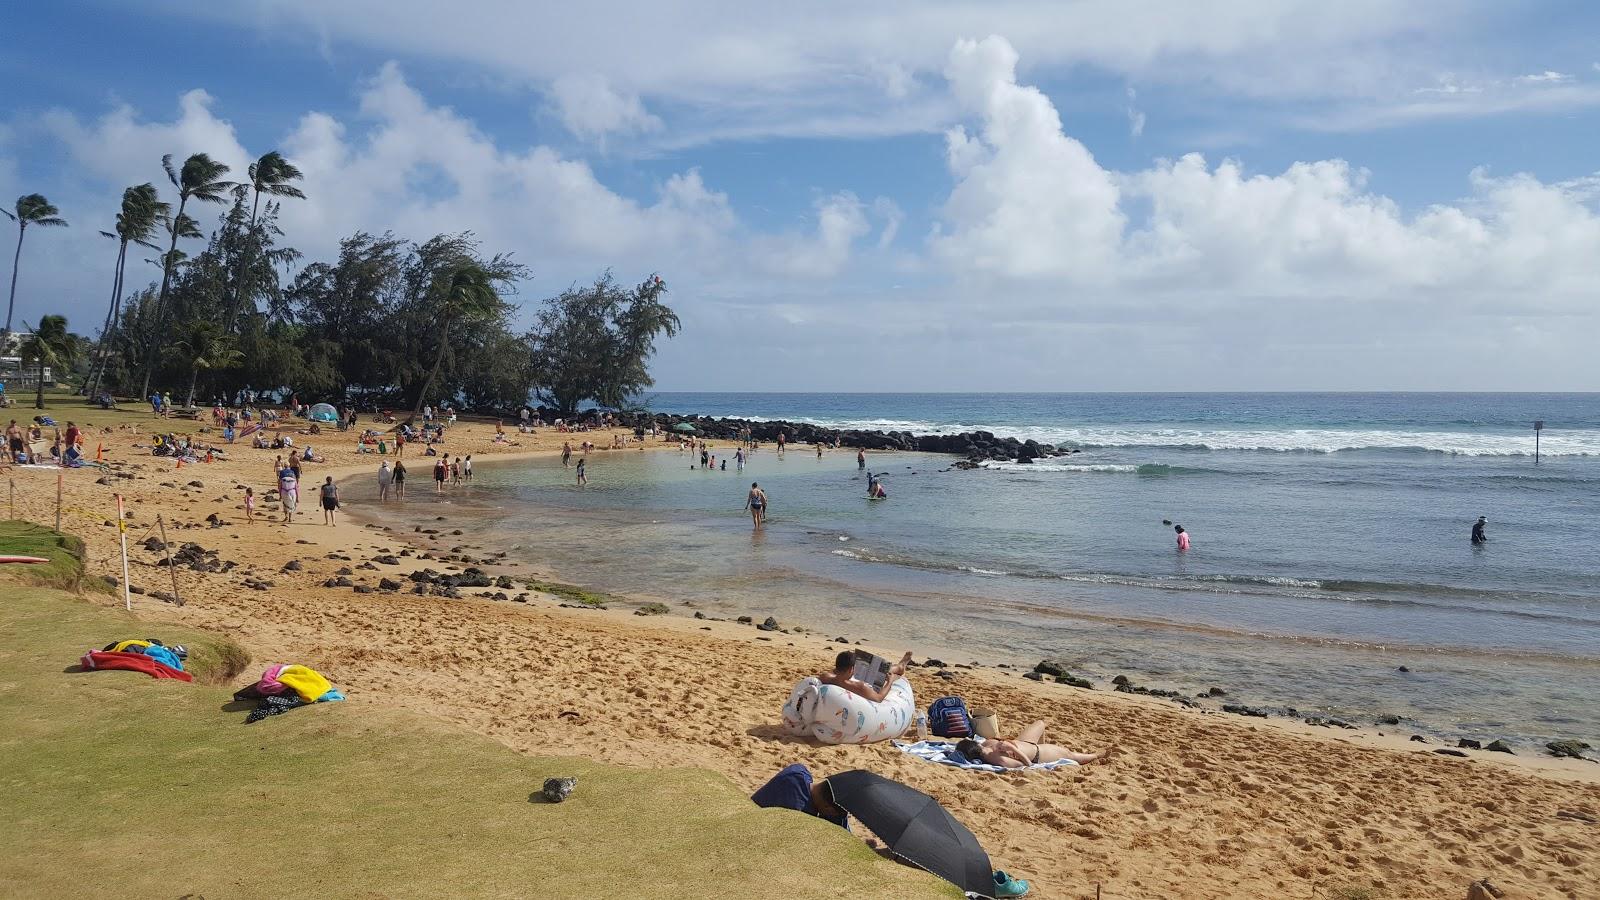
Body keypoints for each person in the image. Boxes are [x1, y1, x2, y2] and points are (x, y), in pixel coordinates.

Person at [954, 721, 1113, 768]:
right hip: (1039, 754)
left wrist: (1006, 742)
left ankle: (1045, 745)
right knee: (1073, 756)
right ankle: (1097, 755)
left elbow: (993, 741)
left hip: (1026, 742)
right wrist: (1011, 748)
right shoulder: (999, 760)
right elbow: (1027, 765)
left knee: (1041, 724)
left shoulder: (985, 744)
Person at [750, 764, 848, 828]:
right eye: (832, 812)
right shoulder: (802, 813)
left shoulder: (799, 771)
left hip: (751, 811)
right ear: (827, 807)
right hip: (757, 827)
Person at [818, 649, 911, 703]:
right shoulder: (859, 687)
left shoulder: (825, 677)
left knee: (879, 671)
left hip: (843, 672)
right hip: (864, 685)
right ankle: (900, 667)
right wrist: (890, 681)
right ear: (851, 669)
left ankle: (899, 667)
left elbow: (837, 673)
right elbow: (879, 698)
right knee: (886, 674)